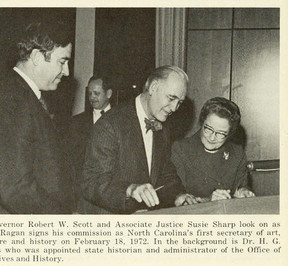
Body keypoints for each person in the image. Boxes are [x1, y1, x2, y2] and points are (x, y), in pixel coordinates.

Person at [0, 22, 74, 214]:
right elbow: (15, 189)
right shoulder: (11, 100)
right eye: (62, 62)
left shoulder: (22, 95)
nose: (67, 72)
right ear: (37, 57)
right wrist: (62, 219)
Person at [79, 65, 189, 214]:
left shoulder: (163, 127)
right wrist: (130, 190)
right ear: (153, 87)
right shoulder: (110, 124)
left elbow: (165, 173)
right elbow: (92, 183)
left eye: (180, 102)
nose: (175, 108)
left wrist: (179, 196)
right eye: (171, 98)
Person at [171, 97, 255, 206]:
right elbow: (177, 198)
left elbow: (241, 186)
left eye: (220, 133)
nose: (212, 137)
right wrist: (209, 200)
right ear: (202, 122)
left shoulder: (237, 153)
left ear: (230, 134)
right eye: (208, 129)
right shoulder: (181, 149)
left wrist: (243, 192)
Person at [68, 74, 113, 206]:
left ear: (109, 93)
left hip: (111, 190)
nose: (92, 97)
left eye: (96, 93)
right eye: (89, 93)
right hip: (83, 192)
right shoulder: (76, 122)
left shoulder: (121, 120)